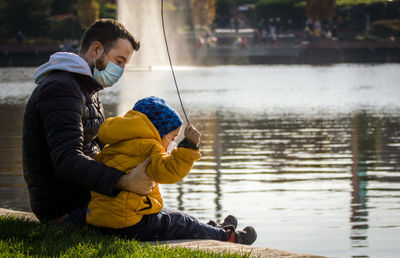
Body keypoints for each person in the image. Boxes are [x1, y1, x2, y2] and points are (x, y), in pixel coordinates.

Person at [22, 18, 154, 224]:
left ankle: (218, 229)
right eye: (119, 61)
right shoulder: (61, 89)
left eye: (124, 64)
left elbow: (99, 145)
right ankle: (221, 233)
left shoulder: (84, 88)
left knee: (156, 212)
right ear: (96, 50)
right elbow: (67, 160)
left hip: (85, 198)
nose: (121, 71)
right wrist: (124, 181)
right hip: (65, 209)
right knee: (163, 224)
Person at [86, 96, 257, 245]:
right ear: (159, 133)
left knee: (173, 215)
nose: (172, 145)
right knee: (180, 222)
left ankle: (210, 229)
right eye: (173, 139)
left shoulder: (114, 144)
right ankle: (227, 236)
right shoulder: (149, 147)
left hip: (103, 221)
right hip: (129, 224)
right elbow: (169, 171)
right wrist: (188, 147)